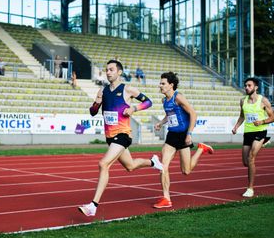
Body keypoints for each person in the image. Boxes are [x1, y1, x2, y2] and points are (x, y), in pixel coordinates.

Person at [78, 59, 163, 217]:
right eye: (106, 70)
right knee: (130, 166)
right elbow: (92, 112)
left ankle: (93, 206)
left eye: (111, 69)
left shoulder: (128, 89)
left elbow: (148, 102)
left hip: (123, 135)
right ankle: (153, 162)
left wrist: (134, 108)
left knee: (103, 164)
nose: (108, 72)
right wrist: (96, 103)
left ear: (119, 72)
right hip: (110, 137)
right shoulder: (102, 91)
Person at [153, 71, 214, 209]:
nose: (160, 86)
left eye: (163, 83)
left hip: (183, 135)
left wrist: (189, 134)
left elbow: (193, 113)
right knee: (163, 166)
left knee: (186, 171)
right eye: (160, 83)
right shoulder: (164, 101)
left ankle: (200, 149)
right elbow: (169, 115)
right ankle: (166, 198)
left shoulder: (178, 97)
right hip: (171, 136)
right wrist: (161, 123)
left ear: (171, 85)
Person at [231, 76, 274, 197]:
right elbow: (242, 116)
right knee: (245, 162)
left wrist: (262, 122)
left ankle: (250, 188)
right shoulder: (242, 100)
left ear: (256, 87)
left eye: (249, 85)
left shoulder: (263, 100)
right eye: (245, 85)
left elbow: (272, 117)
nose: (246, 87)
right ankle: (264, 143)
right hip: (248, 133)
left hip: (260, 131)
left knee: (251, 158)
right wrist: (236, 127)